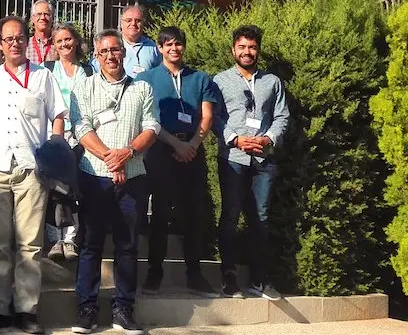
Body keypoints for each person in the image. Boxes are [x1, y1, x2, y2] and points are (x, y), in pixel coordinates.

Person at [0, 16, 67, 334]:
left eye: (20, 37)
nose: (15, 43)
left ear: (27, 41)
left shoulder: (43, 77)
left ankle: (26, 310)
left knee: (30, 246)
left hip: (31, 170)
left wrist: (54, 150)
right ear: (0, 44)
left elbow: (58, 116)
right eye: (8, 39)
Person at [69, 28, 159, 335]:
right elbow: (81, 127)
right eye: (104, 51)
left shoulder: (142, 88)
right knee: (91, 244)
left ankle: (123, 308)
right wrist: (112, 157)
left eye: (115, 50)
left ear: (123, 52)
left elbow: (152, 127)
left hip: (132, 178)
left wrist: (129, 153)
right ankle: (86, 309)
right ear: (96, 56)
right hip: (95, 176)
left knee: (128, 245)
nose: (110, 56)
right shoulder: (85, 86)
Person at [139, 27, 219, 298]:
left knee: (193, 215)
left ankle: (194, 275)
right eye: (169, 44)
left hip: (192, 152)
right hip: (160, 151)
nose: (174, 48)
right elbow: (147, 119)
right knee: (160, 214)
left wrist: (192, 146)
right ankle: (154, 274)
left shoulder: (200, 78)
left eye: (179, 44)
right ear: (160, 48)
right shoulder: (146, 79)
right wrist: (176, 145)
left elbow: (206, 116)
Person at [213, 25, 290, 300]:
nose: (247, 52)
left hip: (263, 160)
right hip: (232, 158)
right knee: (231, 218)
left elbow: (282, 117)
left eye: (252, 47)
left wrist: (267, 139)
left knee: (262, 219)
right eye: (242, 47)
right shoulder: (220, 80)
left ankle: (261, 280)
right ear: (234, 49)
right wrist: (235, 140)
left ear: (259, 49)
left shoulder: (273, 82)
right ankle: (229, 279)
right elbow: (215, 118)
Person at [43, 24, 92, 262]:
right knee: (55, 189)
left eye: (68, 39)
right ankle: (54, 239)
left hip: (83, 136)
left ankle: (71, 238)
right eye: (59, 41)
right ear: (54, 45)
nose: (64, 44)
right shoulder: (47, 69)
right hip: (56, 134)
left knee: (75, 189)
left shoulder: (89, 71)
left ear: (76, 41)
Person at [92, 4, 160, 80]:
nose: (133, 24)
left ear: (143, 23)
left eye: (138, 21)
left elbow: (159, 74)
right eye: (129, 20)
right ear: (121, 23)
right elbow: (94, 71)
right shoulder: (110, 44)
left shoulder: (152, 47)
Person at [26, 0, 57, 65]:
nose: (43, 17)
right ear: (32, 18)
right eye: (39, 14)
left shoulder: (58, 44)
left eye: (47, 14)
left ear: (52, 18)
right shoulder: (25, 45)